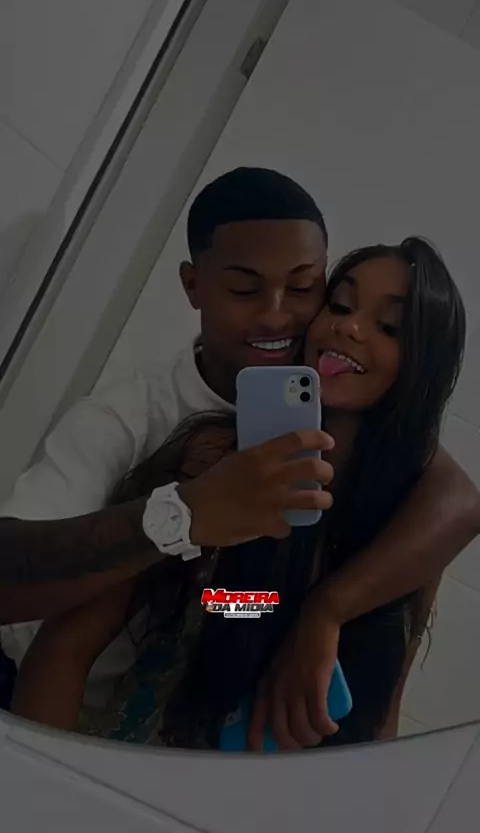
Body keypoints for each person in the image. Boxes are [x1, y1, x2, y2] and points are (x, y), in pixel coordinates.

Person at [1, 169, 478, 726]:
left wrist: (324, 612)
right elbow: (86, 631)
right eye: (246, 290)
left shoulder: (405, 497)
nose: (277, 314)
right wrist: (185, 520)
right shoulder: (173, 437)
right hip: (56, 702)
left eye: (303, 289)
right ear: (194, 286)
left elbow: (460, 503)